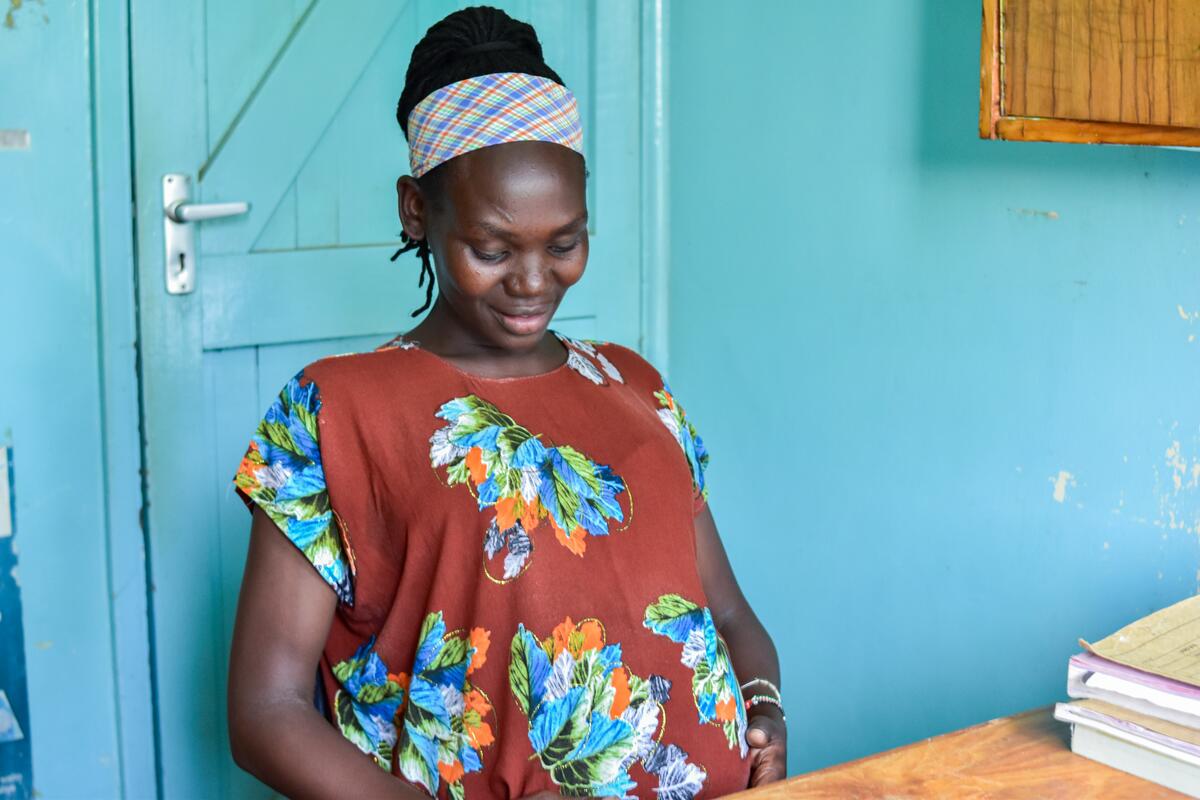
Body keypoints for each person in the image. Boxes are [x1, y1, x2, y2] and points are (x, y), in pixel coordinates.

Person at [227, 6, 784, 798]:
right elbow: (265, 711)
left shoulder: (634, 385)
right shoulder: (336, 413)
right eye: (492, 249)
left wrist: (766, 715)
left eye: (564, 243)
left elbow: (728, 615)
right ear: (417, 212)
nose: (532, 281)